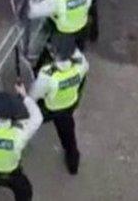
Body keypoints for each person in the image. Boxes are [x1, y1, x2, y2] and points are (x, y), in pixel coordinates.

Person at [28, 35, 89, 174]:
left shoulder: (47, 75)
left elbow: (33, 96)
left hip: (50, 108)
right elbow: (83, 65)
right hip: (69, 105)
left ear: (53, 52)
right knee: (69, 139)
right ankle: (73, 166)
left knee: (27, 120)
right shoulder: (81, 64)